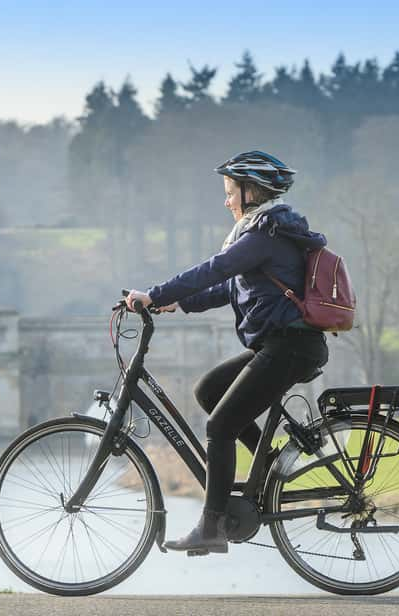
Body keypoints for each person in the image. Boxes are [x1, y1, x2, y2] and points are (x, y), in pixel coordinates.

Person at [124, 150, 329, 554]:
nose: (226, 200)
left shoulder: (263, 234)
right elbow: (230, 288)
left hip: (290, 346)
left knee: (219, 428)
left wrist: (155, 293)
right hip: (282, 344)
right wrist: (178, 304)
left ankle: (212, 526)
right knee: (208, 390)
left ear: (251, 192)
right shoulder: (266, 234)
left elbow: (215, 269)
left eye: (230, 192)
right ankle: (269, 466)